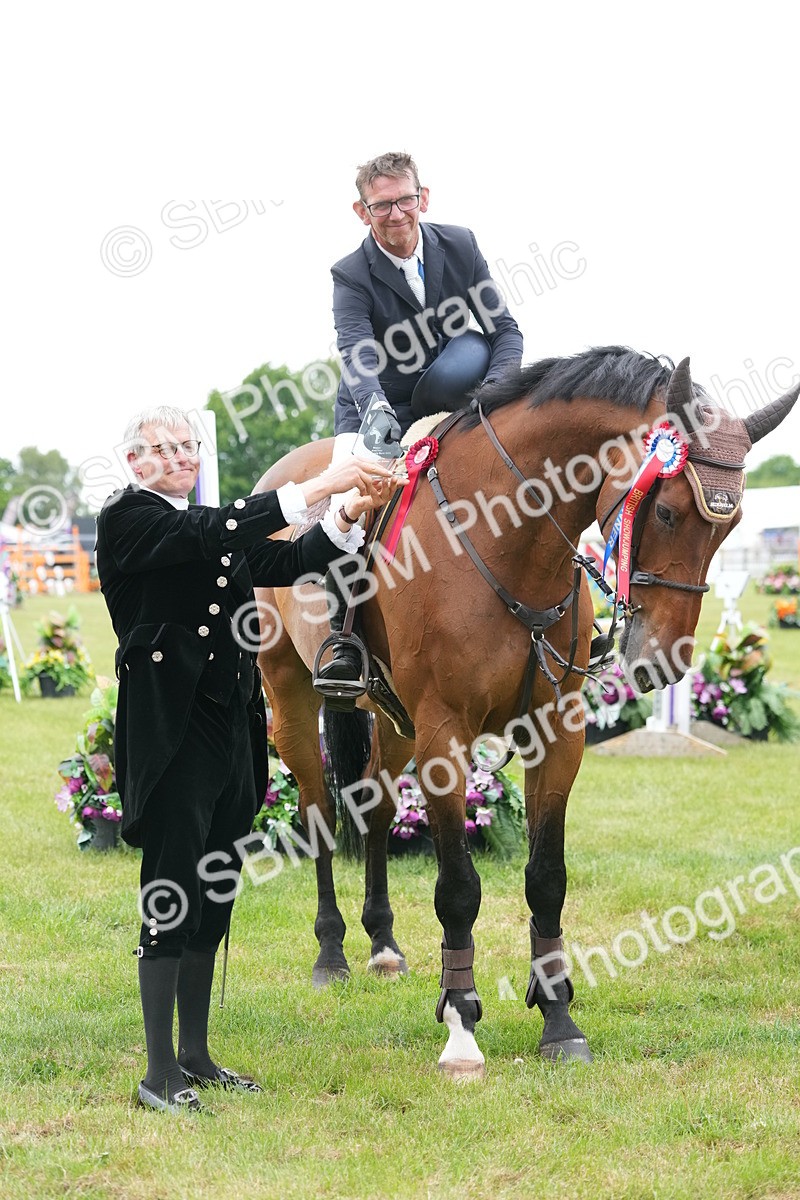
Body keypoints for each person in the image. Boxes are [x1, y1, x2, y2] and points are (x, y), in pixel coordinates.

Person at [95, 406, 399, 1113]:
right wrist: (325, 480)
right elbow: (215, 531)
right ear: (135, 462)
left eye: (188, 445)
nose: (182, 456)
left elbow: (288, 560)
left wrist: (347, 511)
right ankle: (157, 1073)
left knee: (215, 888)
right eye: (165, 448)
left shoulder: (208, 528)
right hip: (171, 732)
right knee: (171, 889)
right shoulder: (129, 519)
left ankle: (195, 1056)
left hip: (230, 728)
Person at [316, 150, 524, 688]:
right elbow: (356, 354)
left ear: (422, 198)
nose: (395, 214)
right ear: (362, 212)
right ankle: (344, 639)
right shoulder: (350, 274)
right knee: (345, 507)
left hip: (458, 396)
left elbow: (504, 331)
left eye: (404, 200)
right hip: (378, 405)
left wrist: (498, 392)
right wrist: (377, 411)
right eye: (380, 205)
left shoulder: (461, 245)